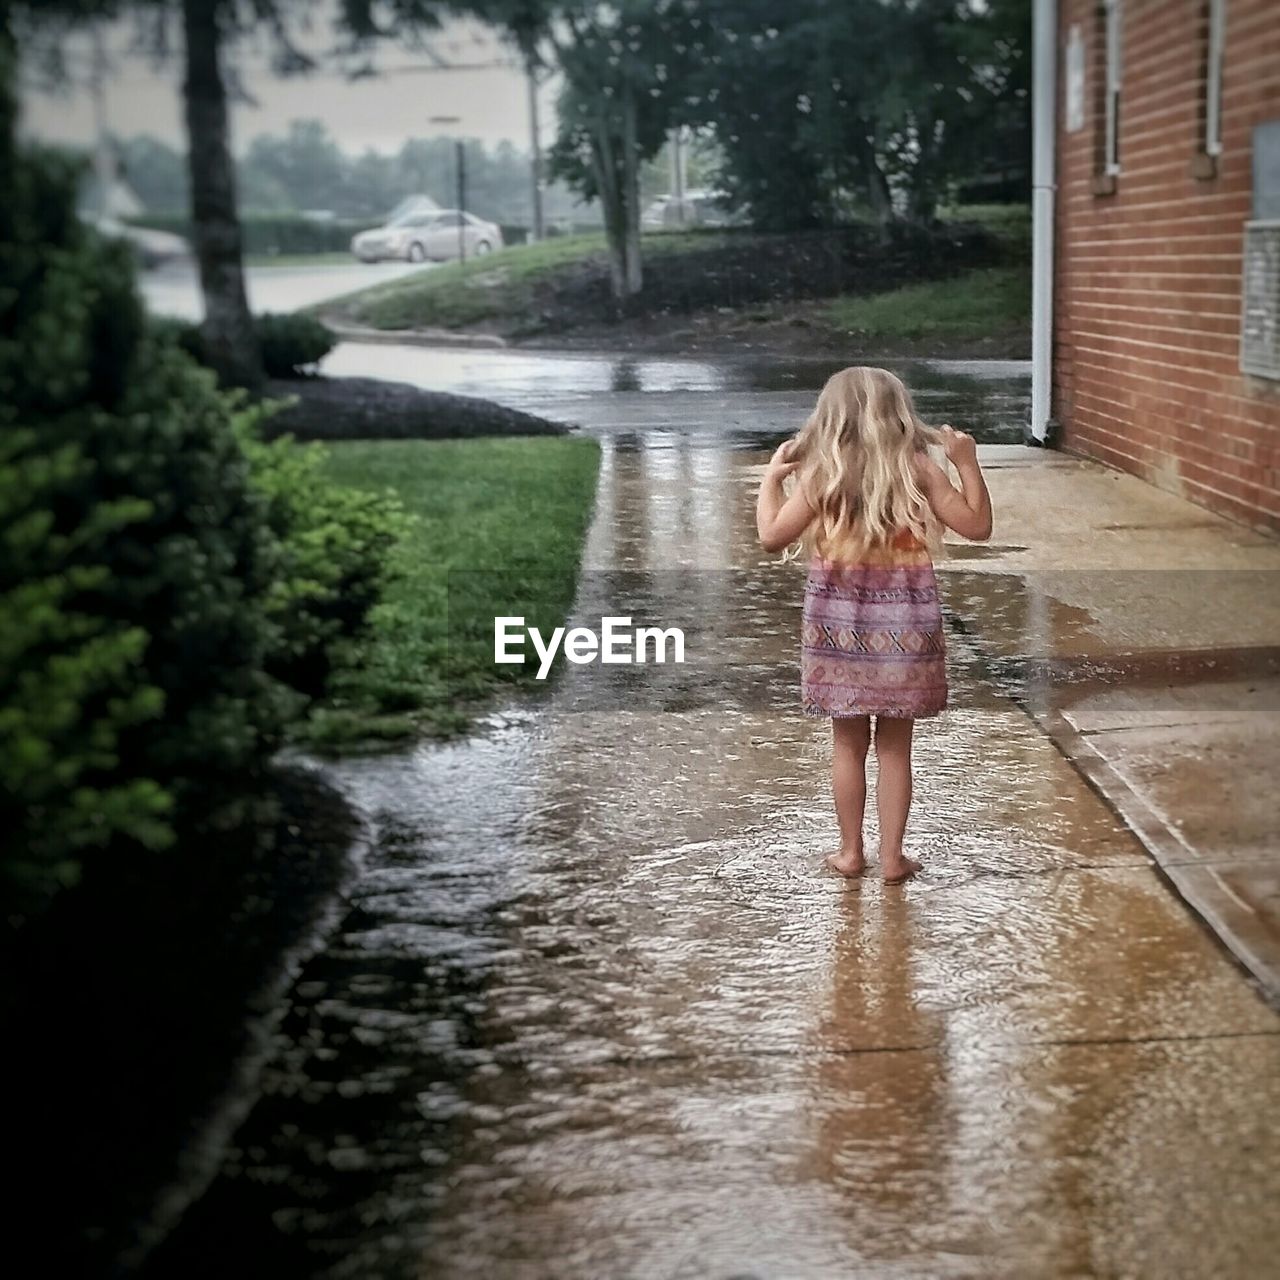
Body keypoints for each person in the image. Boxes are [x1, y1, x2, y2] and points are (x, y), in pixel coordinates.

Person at [755, 366, 992, 884]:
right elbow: (977, 525)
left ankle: (849, 853)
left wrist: (772, 481)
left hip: (838, 633)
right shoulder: (918, 468)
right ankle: (892, 859)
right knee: (895, 749)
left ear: (831, 419)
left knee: (847, 746)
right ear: (897, 415)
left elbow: (772, 535)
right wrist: (967, 463)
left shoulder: (823, 475)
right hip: (906, 631)